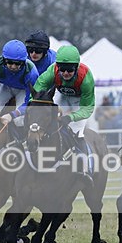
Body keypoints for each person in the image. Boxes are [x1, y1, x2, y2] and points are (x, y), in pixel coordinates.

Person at [33, 45, 95, 185]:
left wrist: (70, 117)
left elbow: (87, 109)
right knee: (47, 126)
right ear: (57, 67)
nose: (66, 73)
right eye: (63, 69)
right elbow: (37, 90)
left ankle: (86, 169)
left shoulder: (86, 77)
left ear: (76, 68)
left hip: (80, 103)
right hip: (61, 96)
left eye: (70, 70)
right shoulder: (52, 71)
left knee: (77, 133)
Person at [0, 39, 40, 114]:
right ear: (4, 60)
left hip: (23, 91)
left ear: (23, 62)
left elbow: (30, 100)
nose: (13, 66)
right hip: (5, 87)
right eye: (10, 62)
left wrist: (13, 115)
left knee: (19, 120)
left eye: (17, 63)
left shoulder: (31, 73)